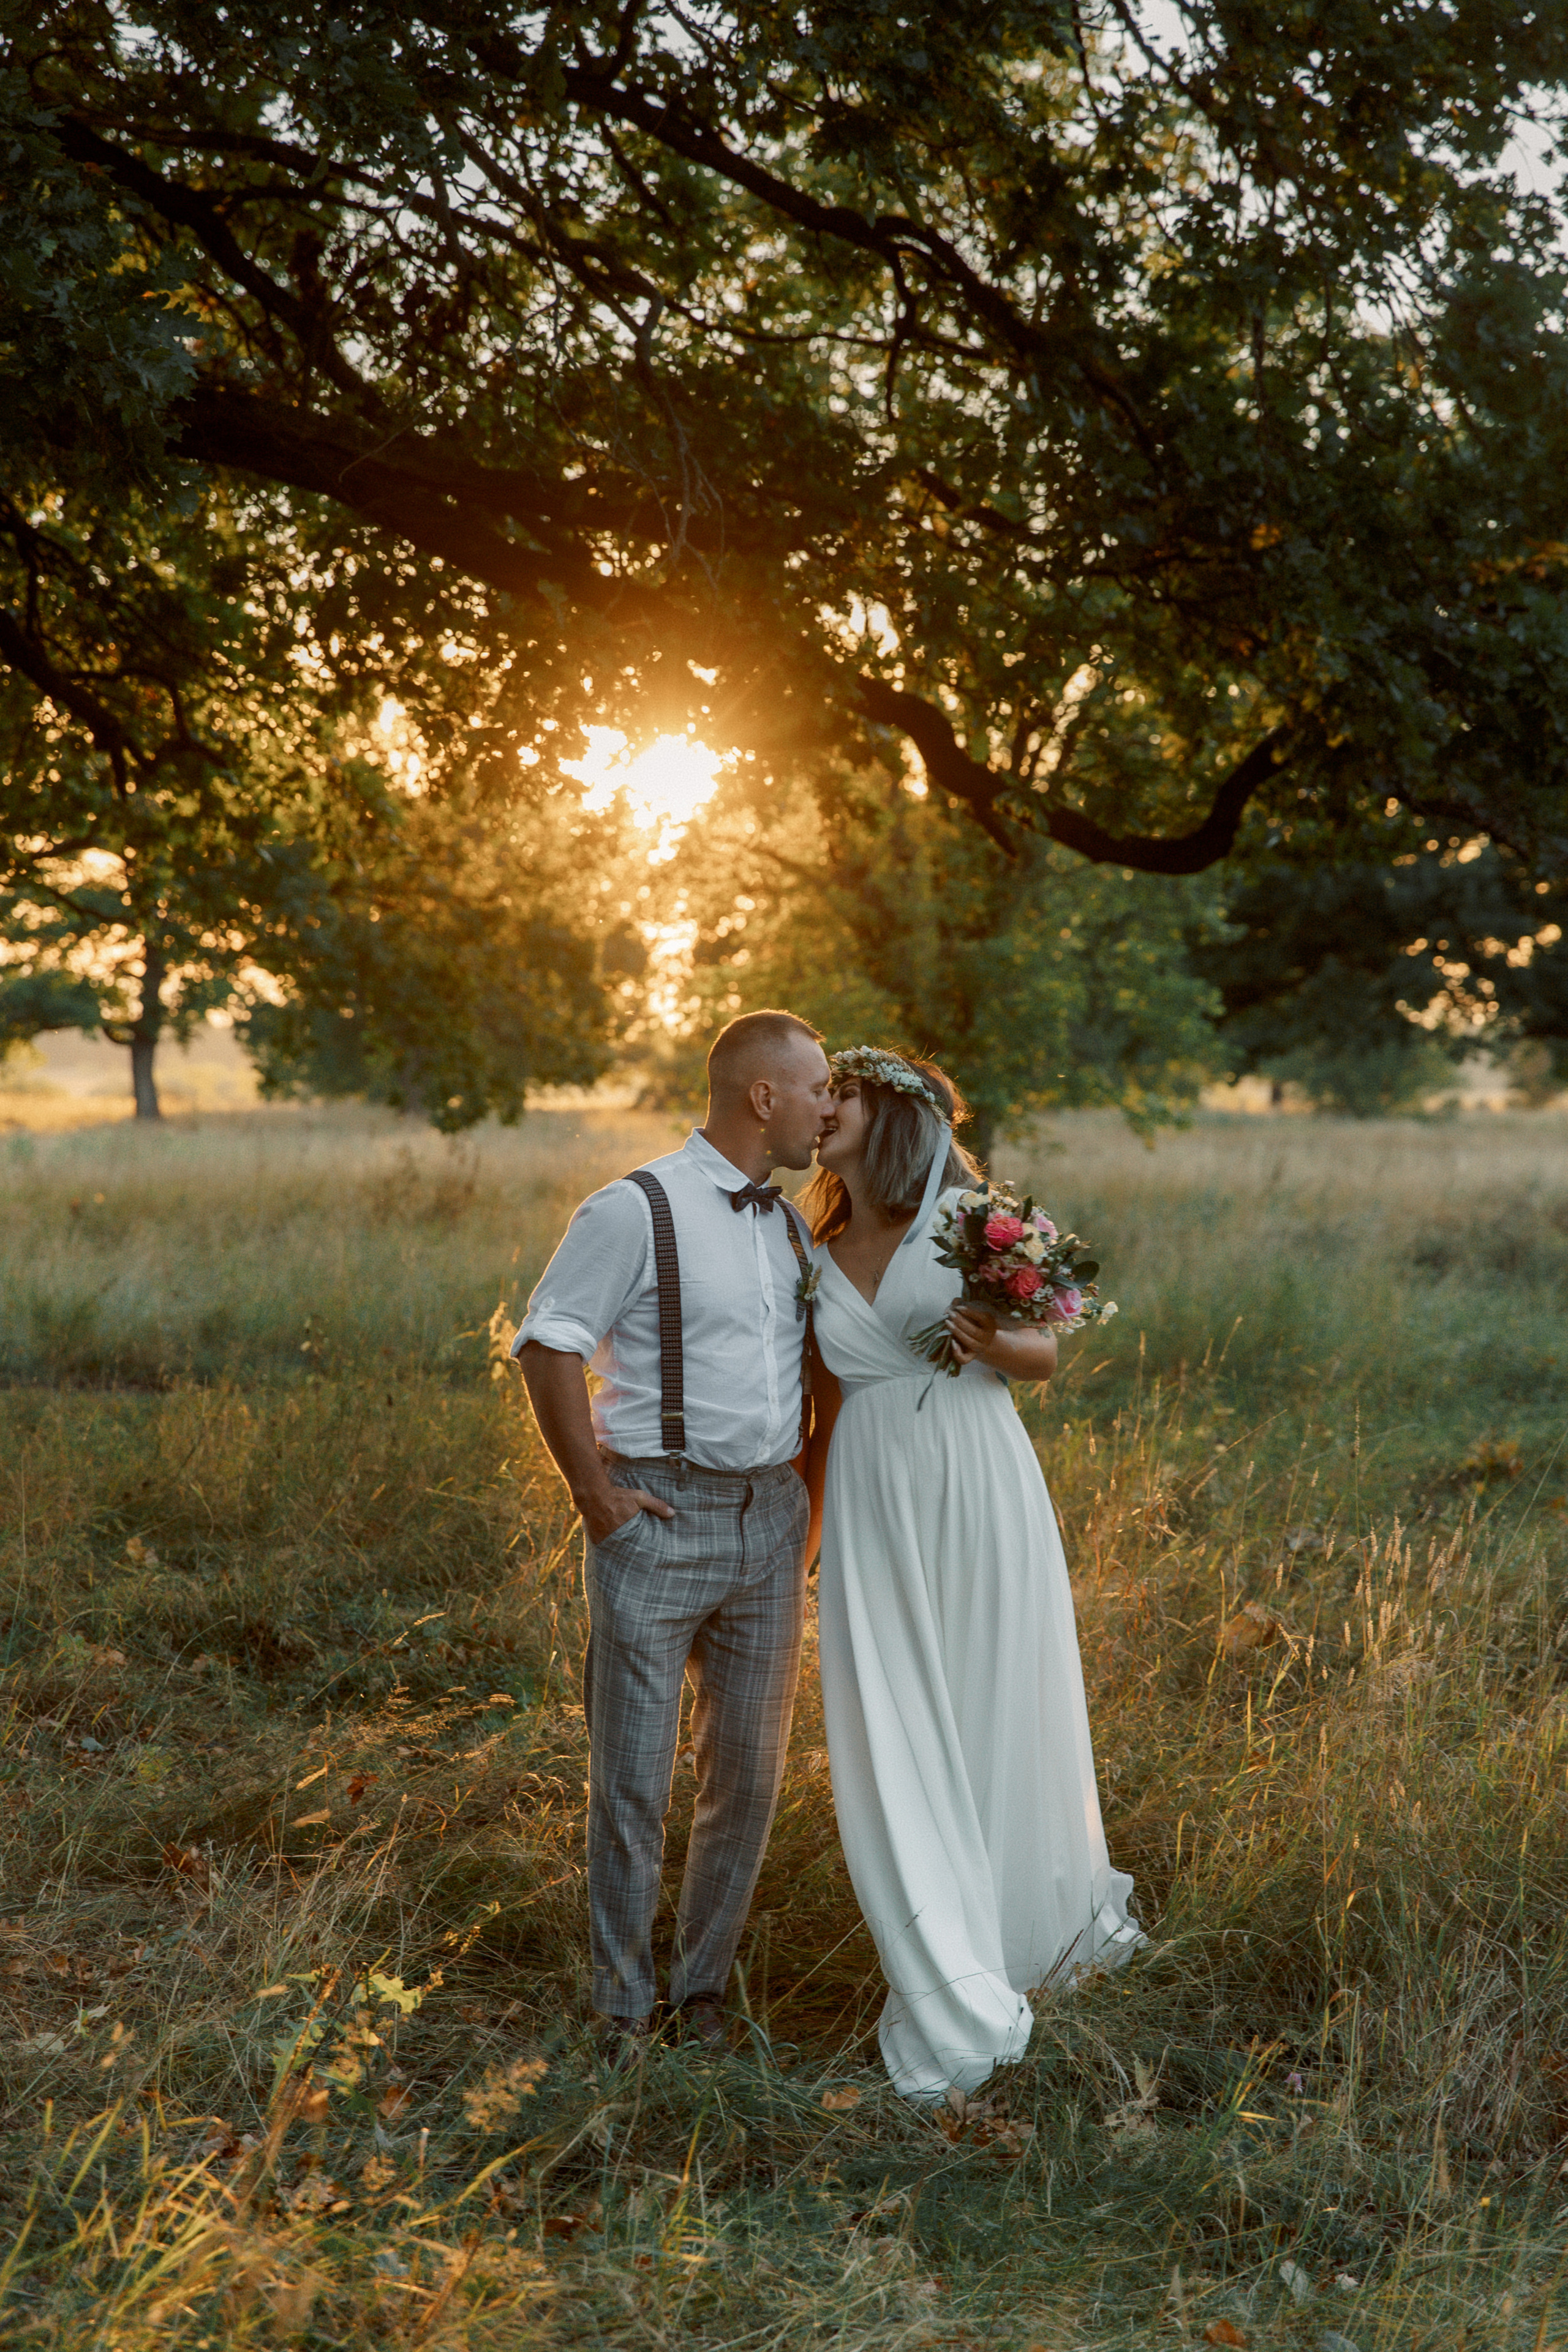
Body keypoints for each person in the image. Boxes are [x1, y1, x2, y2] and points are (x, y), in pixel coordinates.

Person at [803, 1045, 1142, 2103]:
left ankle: (1014, 1937)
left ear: (892, 1113)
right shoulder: (814, 1239)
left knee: (993, 1697)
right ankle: (934, 1948)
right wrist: (810, 1538)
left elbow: (1046, 1354)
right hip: (868, 1492)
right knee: (890, 1718)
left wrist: (992, 1341)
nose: (820, 1110)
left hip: (975, 1476)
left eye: (839, 1095)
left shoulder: (967, 1221)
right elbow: (820, 1404)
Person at [514, 1009, 832, 2065]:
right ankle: (618, 2005)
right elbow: (549, 1344)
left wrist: (803, 1513)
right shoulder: (631, 1207)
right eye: (818, 1089)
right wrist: (596, 1497)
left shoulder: (790, 1227)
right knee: (635, 1778)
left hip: (769, 1524)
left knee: (747, 1773)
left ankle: (701, 1994)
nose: (829, 1109)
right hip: (654, 1516)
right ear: (763, 1097)